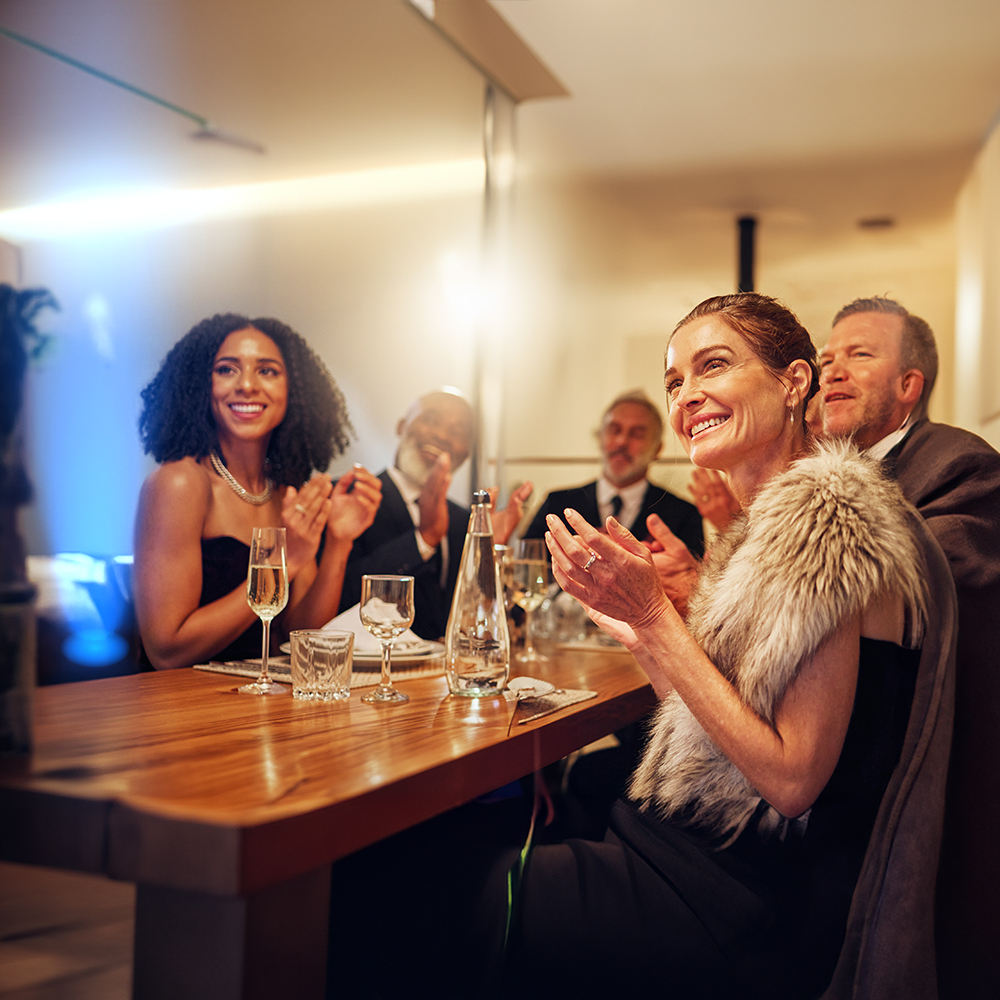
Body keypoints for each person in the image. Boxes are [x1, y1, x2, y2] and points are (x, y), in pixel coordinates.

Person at [330, 293, 937, 1000]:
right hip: (690, 855)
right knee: (405, 853)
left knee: (385, 884)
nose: (688, 395)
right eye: (676, 379)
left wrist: (654, 620)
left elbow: (793, 780)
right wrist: (638, 632)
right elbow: (717, 729)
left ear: (793, 380)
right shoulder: (768, 522)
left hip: (735, 899)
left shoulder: (826, 516)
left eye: (714, 365)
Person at [818, 296, 1000, 1000]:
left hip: (925, 794)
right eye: (828, 356)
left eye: (859, 354)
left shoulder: (964, 466)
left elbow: (917, 587)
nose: (832, 369)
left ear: (909, 386)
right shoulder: (829, 474)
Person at [134, 313, 381, 669]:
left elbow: (303, 638)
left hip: (263, 708)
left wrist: (338, 544)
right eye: (226, 369)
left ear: (293, 390)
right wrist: (285, 563)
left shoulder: (284, 491)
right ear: (199, 385)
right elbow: (166, 651)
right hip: (186, 709)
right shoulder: (180, 483)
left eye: (267, 371)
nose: (247, 385)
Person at [338, 388, 532, 640]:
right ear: (400, 426)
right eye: (430, 420)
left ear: (466, 451)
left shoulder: (465, 520)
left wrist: (488, 555)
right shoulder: (350, 499)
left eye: (458, 431)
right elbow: (340, 600)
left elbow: (508, 622)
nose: (441, 435)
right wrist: (424, 539)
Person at [522, 390, 705, 558]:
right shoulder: (557, 505)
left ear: (657, 449)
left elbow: (694, 585)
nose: (621, 442)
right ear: (599, 438)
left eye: (637, 434)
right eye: (614, 430)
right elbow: (526, 572)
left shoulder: (683, 515)